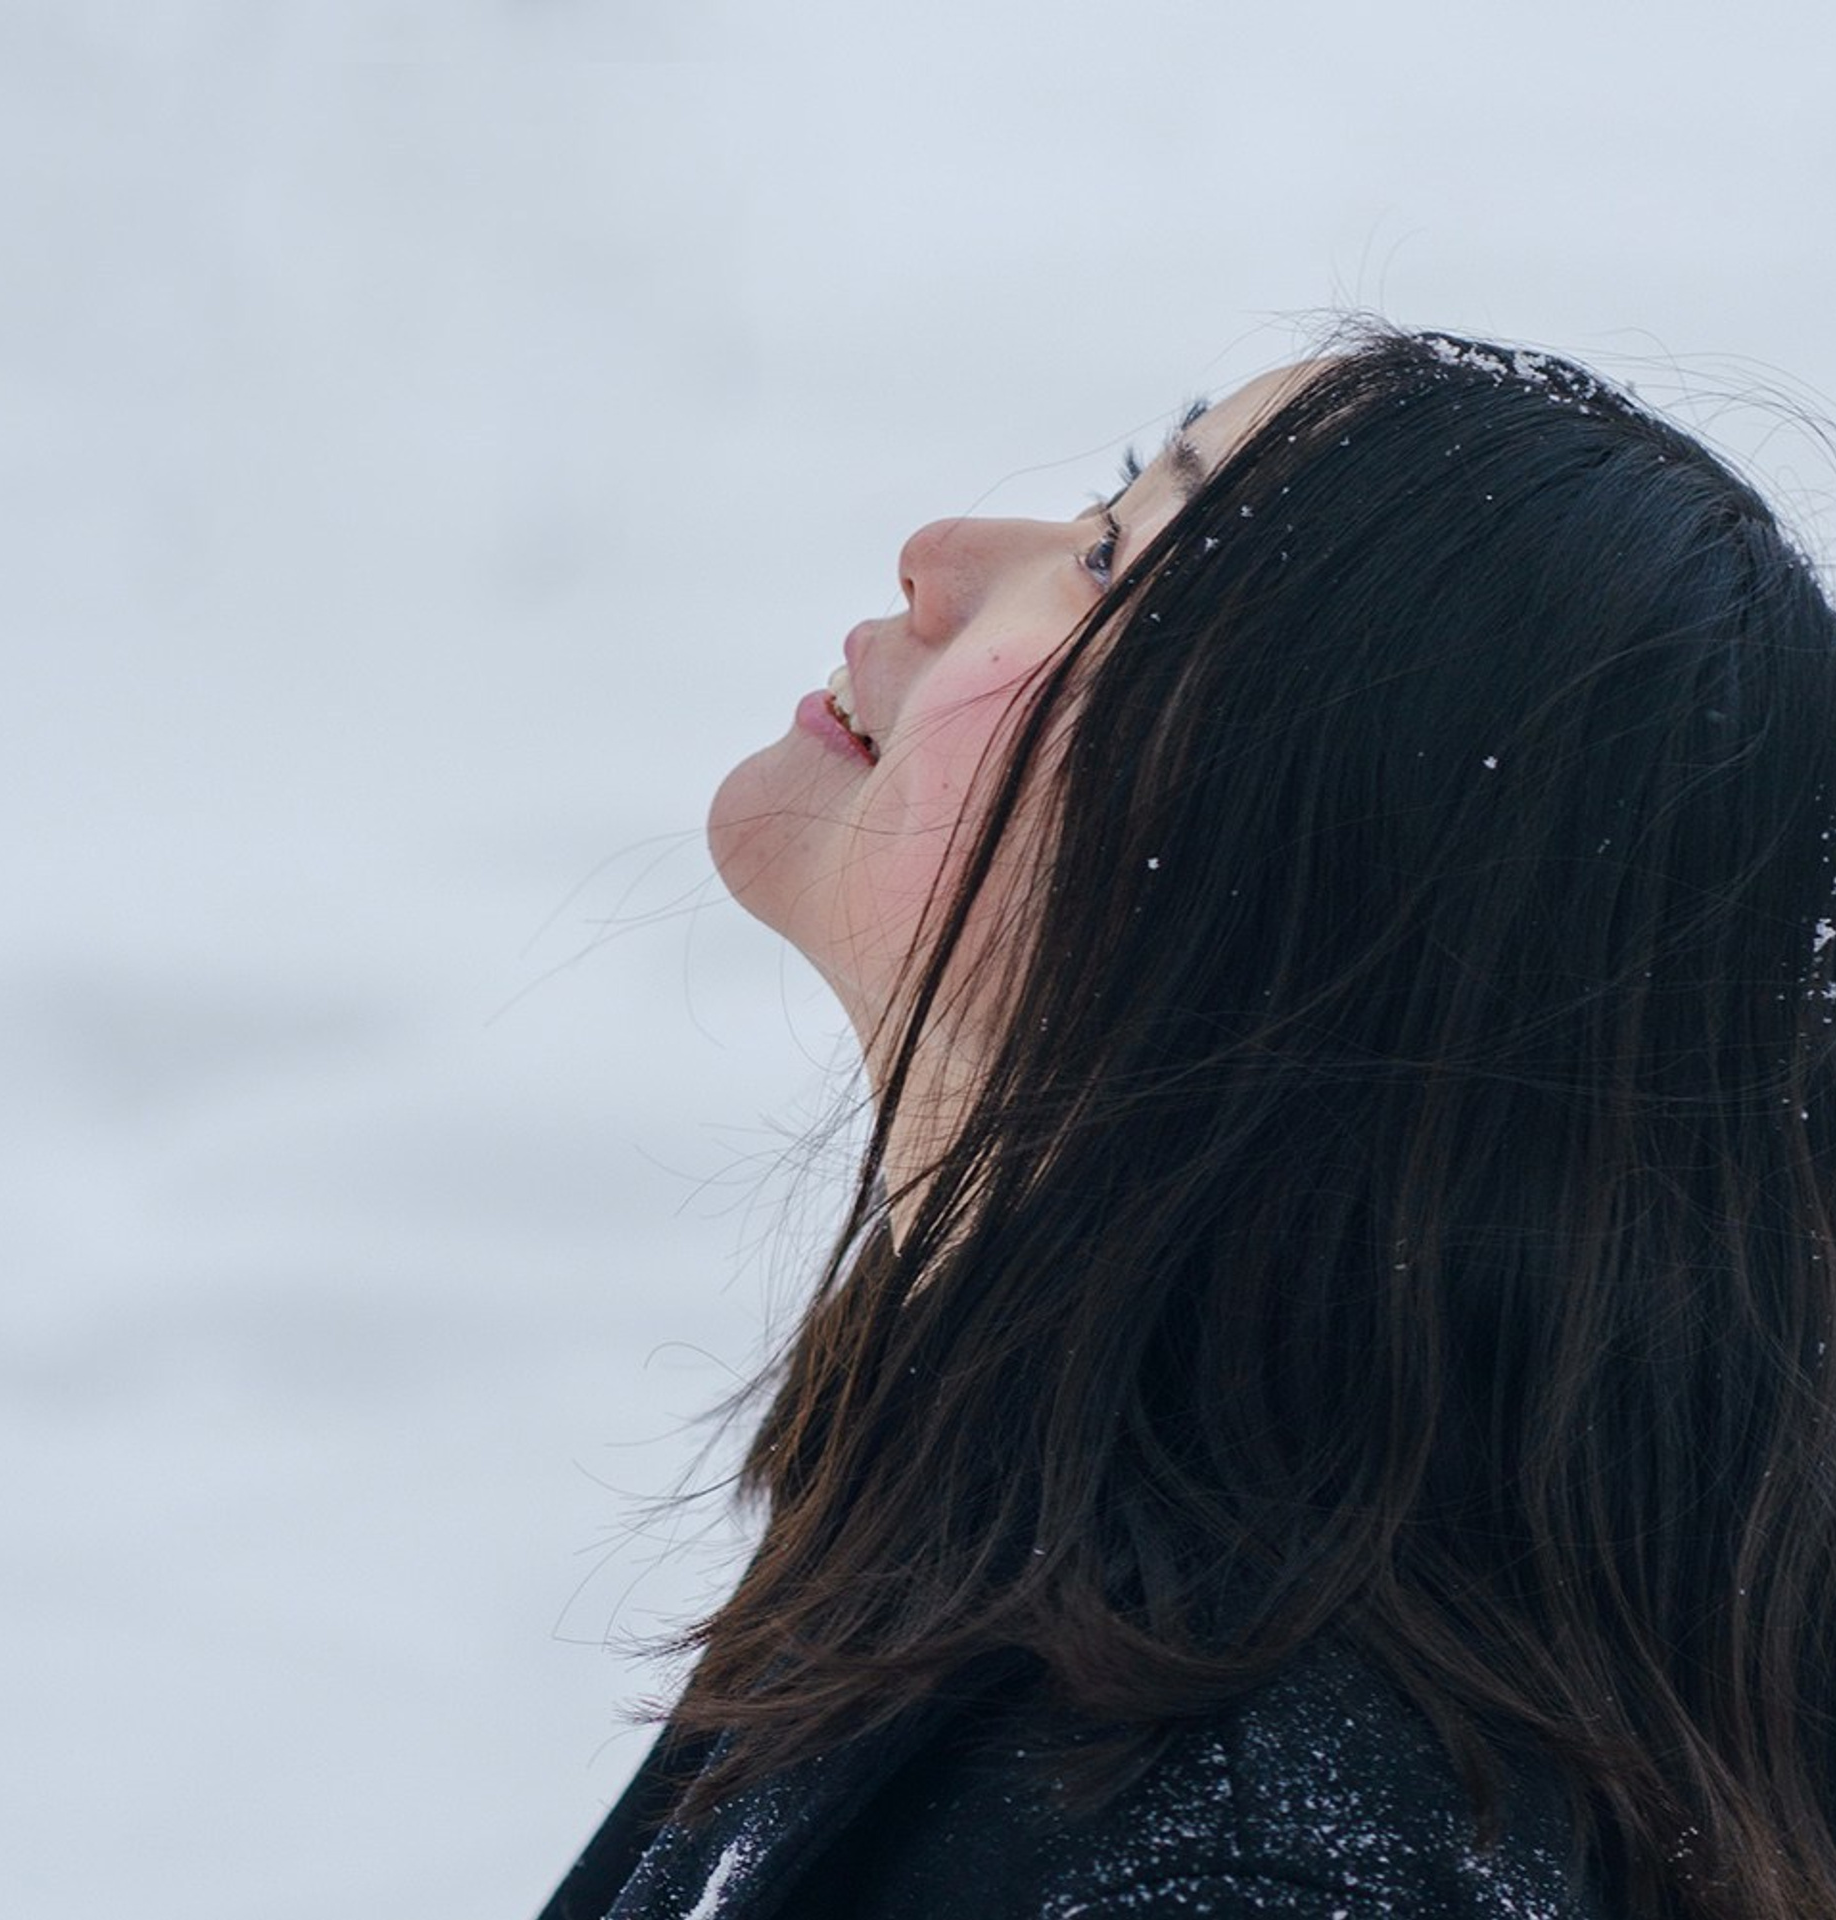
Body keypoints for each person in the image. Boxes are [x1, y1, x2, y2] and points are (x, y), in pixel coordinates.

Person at [541, 325, 1836, 1918]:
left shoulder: (1248, 1867)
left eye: (1108, 561)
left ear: (1298, 885)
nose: (941, 559)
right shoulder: (1035, 1584)